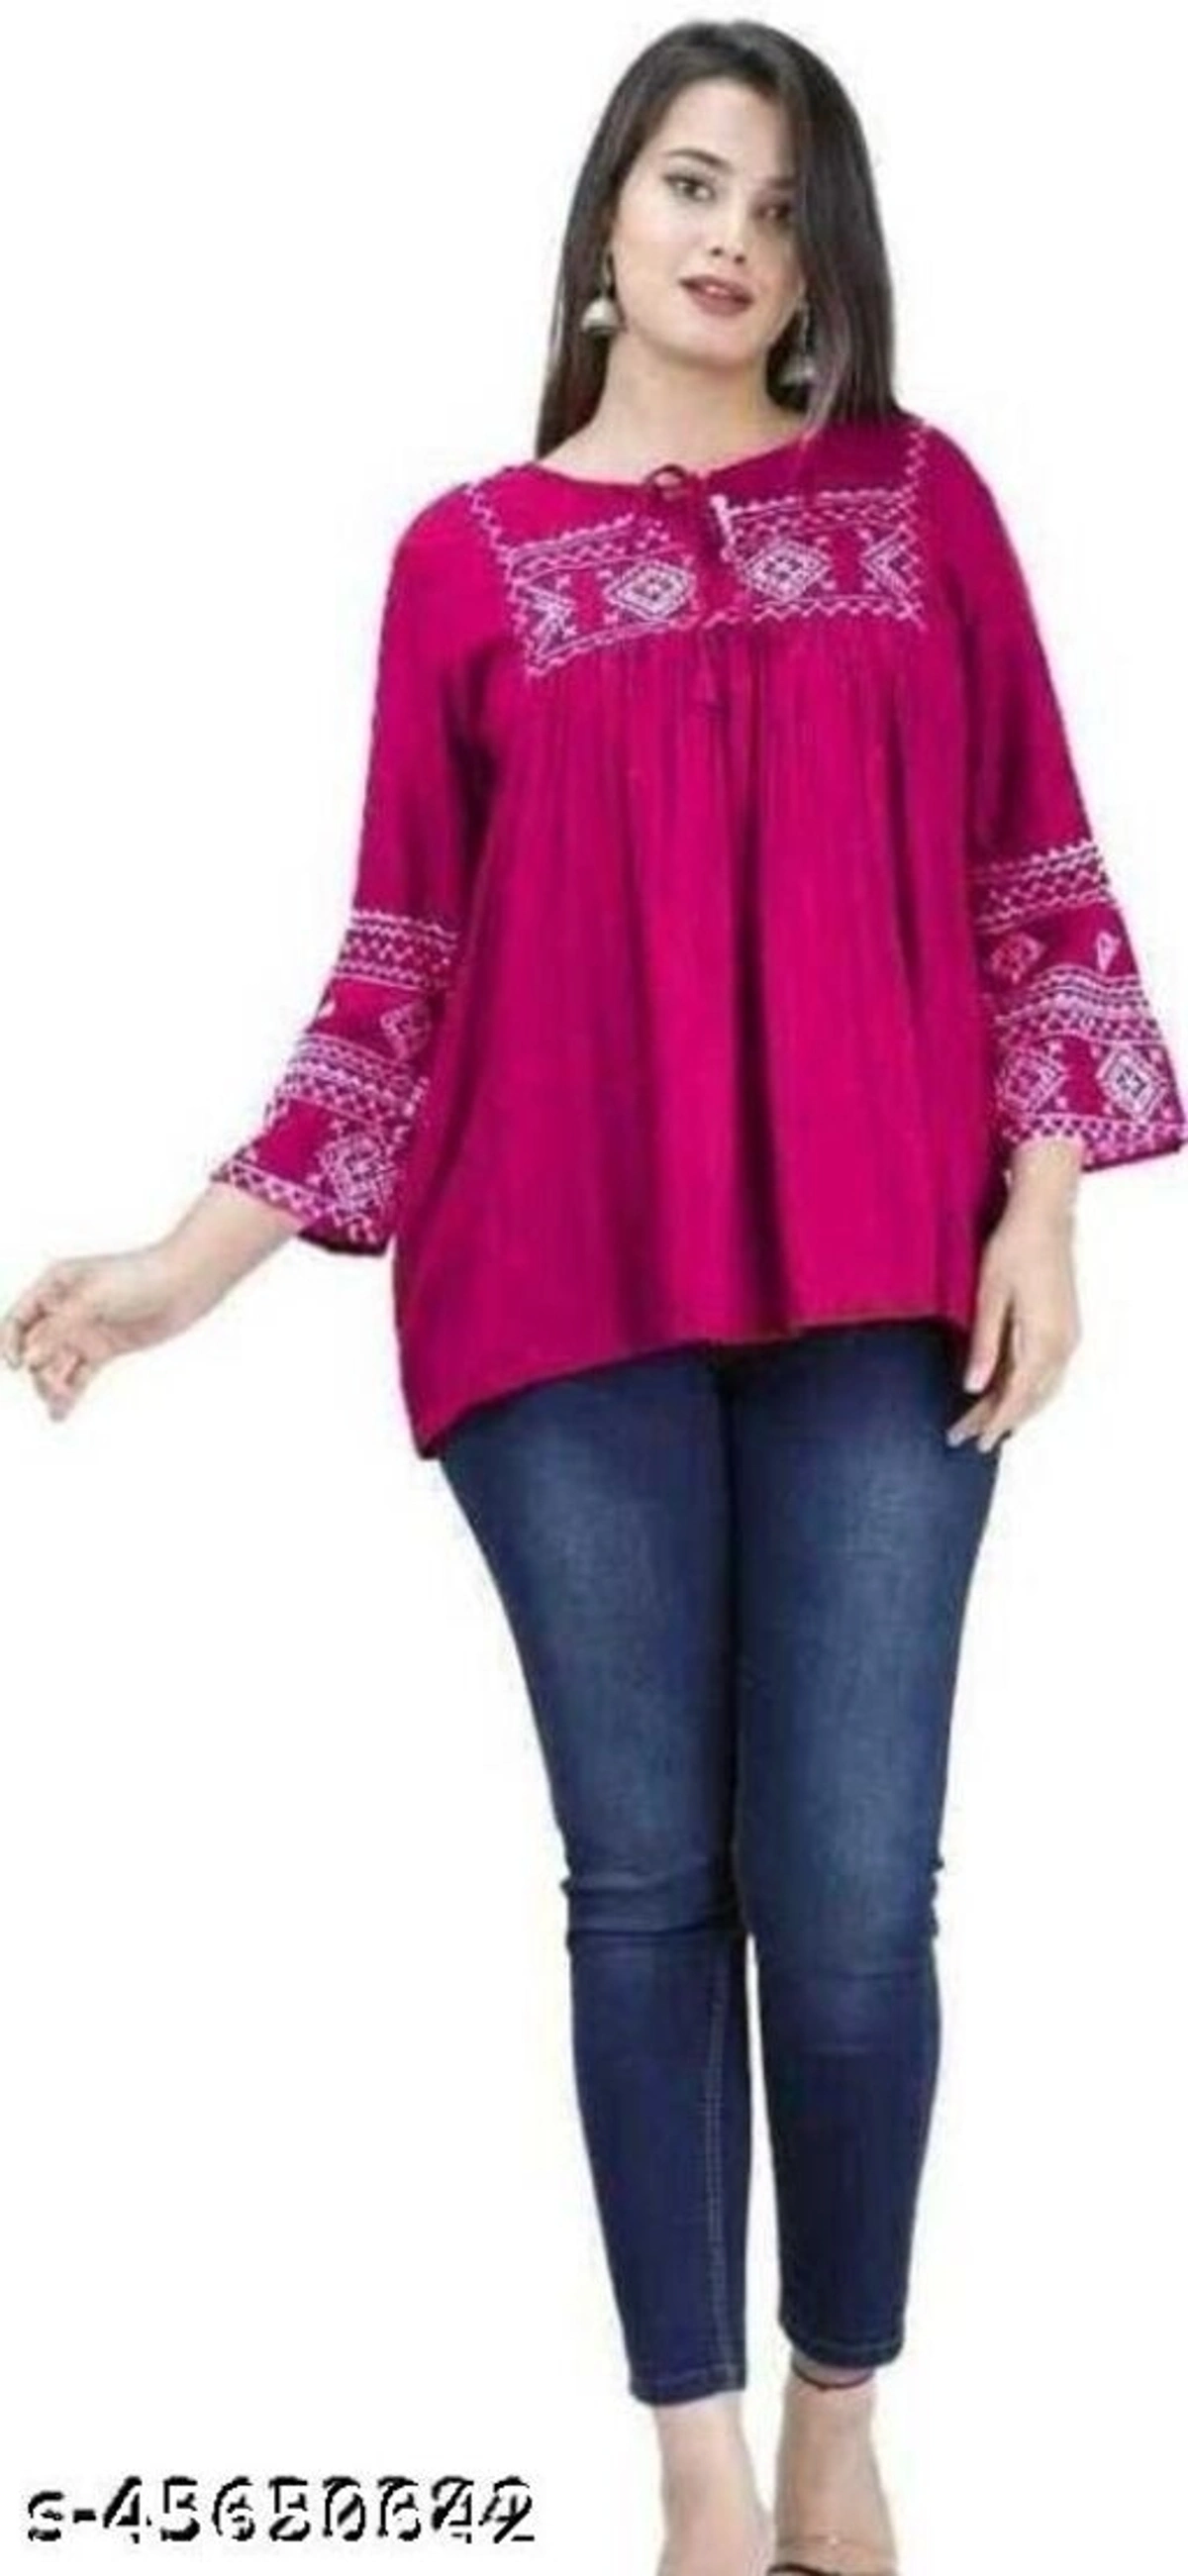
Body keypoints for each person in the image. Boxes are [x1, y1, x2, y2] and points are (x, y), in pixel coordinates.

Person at [4, 23, 1185, 2576]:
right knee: (646, 1886)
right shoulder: (464, 561)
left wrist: (1047, 1207)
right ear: (608, 219)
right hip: (561, 1306)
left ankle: (842, 2402)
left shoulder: (921, 502)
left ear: (827, 259)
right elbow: (403, 970)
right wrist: (182, 1271)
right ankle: (696, 2469)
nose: (731, 235)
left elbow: (1037, 874)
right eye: (690, 182)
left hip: (886, 1280)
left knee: (851, 1906)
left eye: (780, 202)